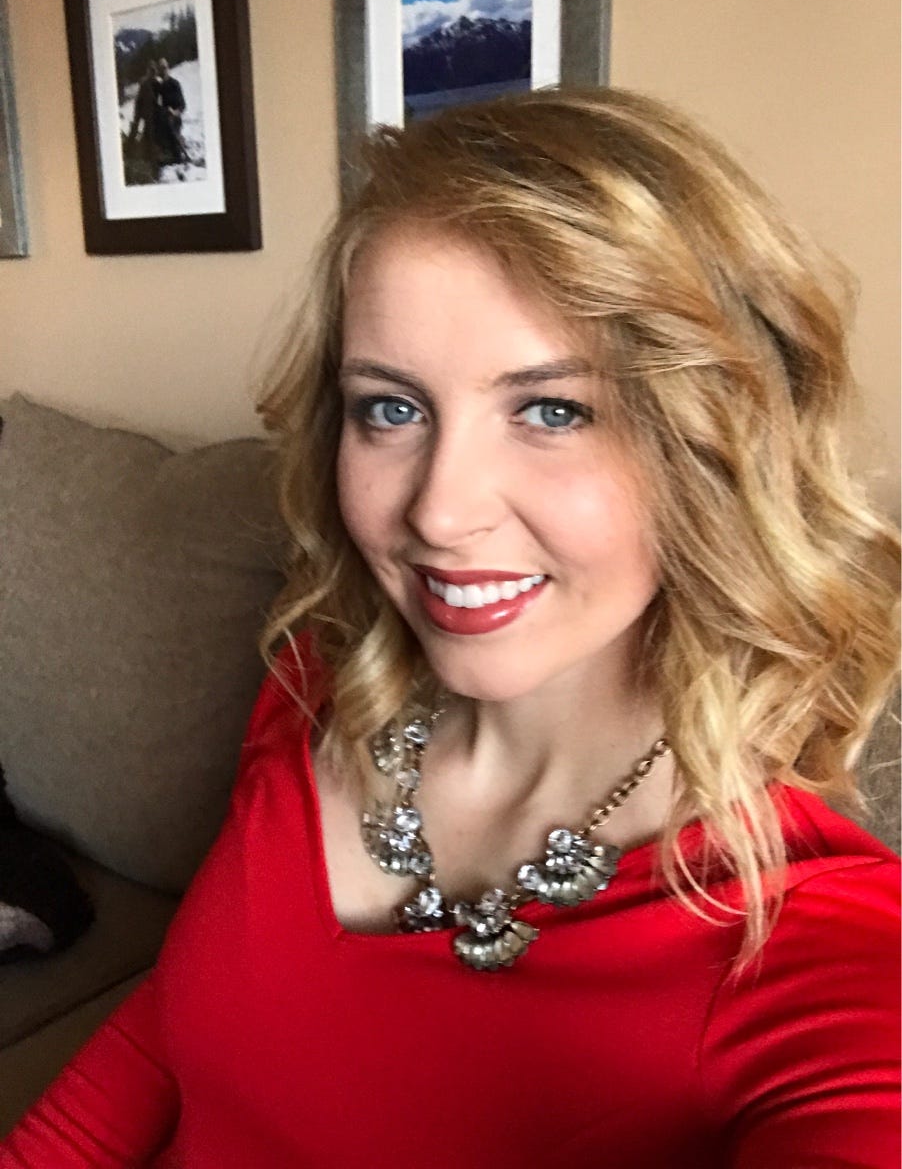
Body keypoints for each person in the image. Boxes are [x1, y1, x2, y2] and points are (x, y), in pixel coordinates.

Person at [2, 88, 898, 1166]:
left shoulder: (820, 950)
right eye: (391, 407)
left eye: (553, 410)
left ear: (714, 447)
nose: (437, 510)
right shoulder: (318, 683)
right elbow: (176, 1031)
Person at [127, 60, 162, 171]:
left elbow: (159, 99)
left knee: (151, 137)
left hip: (152, 115)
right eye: (150, 70)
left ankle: (151, 160)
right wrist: (137, 115)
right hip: (144, 113)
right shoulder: (144, 83)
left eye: (153, 70)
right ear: (148, 71)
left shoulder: (157, 83)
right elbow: (139, 100)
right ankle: (131, 152)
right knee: (141, 134)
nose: (152, 72)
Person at [154, 58, 188, 166]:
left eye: (164, 68)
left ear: (168, 69)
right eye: (161, 69)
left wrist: (174, 112)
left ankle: (178, 154)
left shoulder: (174, 84)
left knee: (172, 134)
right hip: (164, 118)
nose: (163, 71)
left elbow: (183, 105)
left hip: (175, 118)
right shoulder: (160, 86)